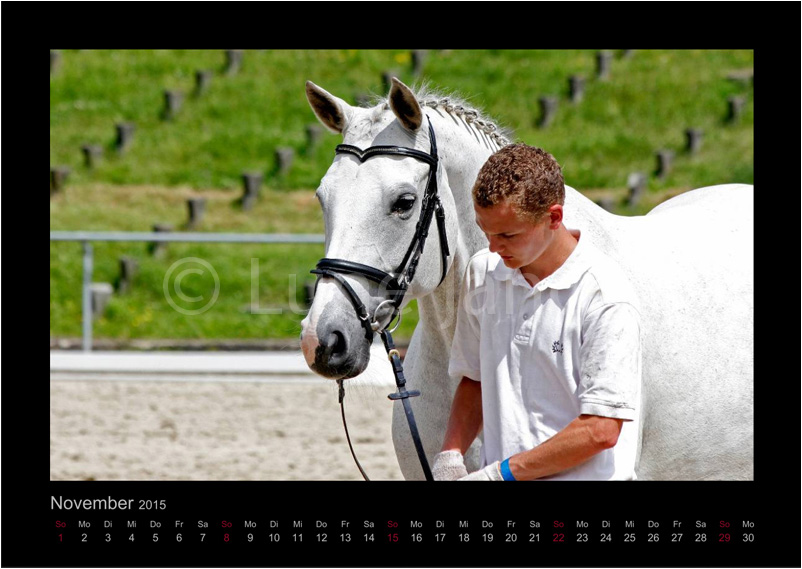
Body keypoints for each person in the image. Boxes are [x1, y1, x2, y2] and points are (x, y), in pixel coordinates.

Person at [432, 144, 642, 481]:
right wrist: (451, 454)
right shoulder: (483, 272)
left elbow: (601, 429)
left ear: (554, 217)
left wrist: (500, 475)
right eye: (485, 231)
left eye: (507, 235)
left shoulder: (605, 296)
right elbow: (475, 376)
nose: (493, 246)